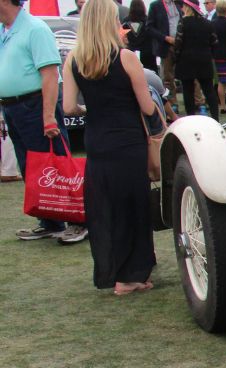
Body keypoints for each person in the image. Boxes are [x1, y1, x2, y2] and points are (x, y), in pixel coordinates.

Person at [62, 0, 158, 294]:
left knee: (106, 207)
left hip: (97, 140)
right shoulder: (126, 57)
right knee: (133, 206)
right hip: (127, 141)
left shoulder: (75, 60)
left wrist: (91, 109)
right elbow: (147, 107)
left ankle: (115, 271)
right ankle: (131, 275)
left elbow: (67, 107)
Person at [0, 0, 85, 244]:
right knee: (31, 167)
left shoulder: (34, 28)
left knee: (58, 164)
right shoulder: (5, 31)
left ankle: (79, 221)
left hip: (35, 105)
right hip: (13, 107)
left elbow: (49, 74)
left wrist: (48, 117)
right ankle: (50, 221)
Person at [173, 0, 217, 116]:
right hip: (204, 60)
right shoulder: (207, 23)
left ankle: (191, 117)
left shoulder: (183, 22)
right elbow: (214, 42)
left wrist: (175, 58)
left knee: (188, 91)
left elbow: (178, 43)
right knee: (209, 91)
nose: (181, 8)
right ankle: (215, 118)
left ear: (188, 7)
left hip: (186, 61)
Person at [146, 0, 182, 101]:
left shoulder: (179, 3)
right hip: (166, 45)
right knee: (167, 76)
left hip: (181, 43)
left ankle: (198, 101)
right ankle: (172, 101)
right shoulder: (155, 6)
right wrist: (165, 38)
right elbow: (149, 28)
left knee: (188, 74)